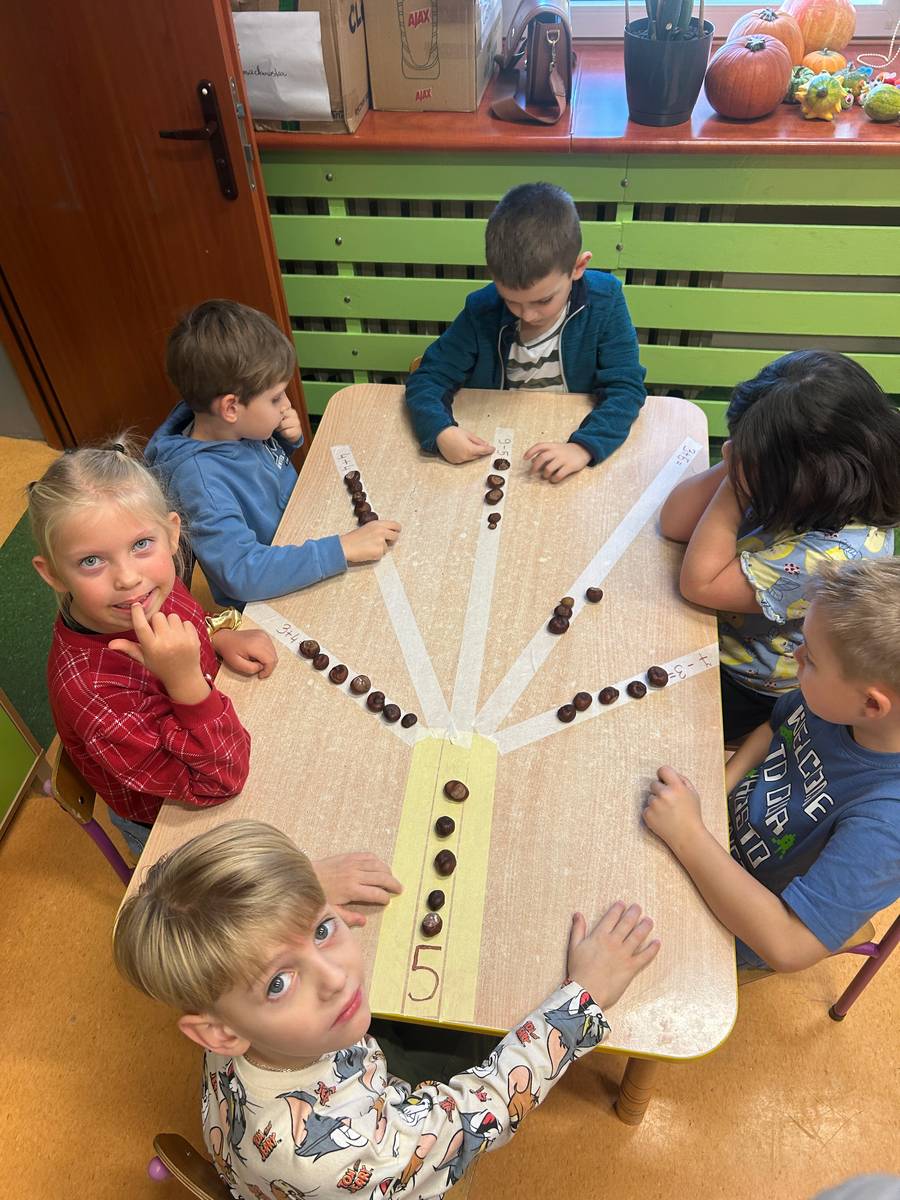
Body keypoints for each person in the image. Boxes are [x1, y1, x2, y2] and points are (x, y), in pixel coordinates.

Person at [114, 820, 659, 1200]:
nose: (336, 978)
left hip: (292, 1129)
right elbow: (474, 1120)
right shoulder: (351, 1155)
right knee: (485, 1032)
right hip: (360, 1157)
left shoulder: (237, 1018)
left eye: (322, 929)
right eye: (279, 982)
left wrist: (294, 903)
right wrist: (580, 999)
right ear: (218, 1033)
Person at [643, 559, 900, 973]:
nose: (795, 656)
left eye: (811, 658)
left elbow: (790, 945)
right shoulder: (832, 704)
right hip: (708, 837)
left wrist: (689, 835)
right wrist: (717, 792)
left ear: (872, 703)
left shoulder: (886, 826)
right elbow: (774, 727)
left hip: (739, 921)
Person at [28, 440, 273, 856]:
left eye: (141, 544)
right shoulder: (92, 694)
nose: (128, 578)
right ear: (53, 574)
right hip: (171, 819)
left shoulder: (149, 592)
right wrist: (186, 680)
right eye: (91, 561)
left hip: (209, 733)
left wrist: (214, 636)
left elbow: (186, 617)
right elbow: (220, 780)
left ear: (172, 534)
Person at [659, 351, 900, 742]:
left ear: (810, 479)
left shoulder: (835, 555)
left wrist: (736, 484)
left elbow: (699, 585)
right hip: (702, 631)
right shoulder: (798, 480)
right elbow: (673, 522)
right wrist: (738, 465)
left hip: (744, 681)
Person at [146, 300, 401, 610]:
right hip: (274, 595)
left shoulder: (236, 427)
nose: (286, 405)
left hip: (303, 543)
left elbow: (262, 474)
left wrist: (284, 440)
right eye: (276, 397)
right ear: (230, 407)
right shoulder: (201, 484)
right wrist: (341, 549)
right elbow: (242, 573)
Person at [405, 182, 647, 483]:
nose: (527, 315)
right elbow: (428, 378)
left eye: (543, 300)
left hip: (576, 438)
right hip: (498, 437)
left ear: (578, 267)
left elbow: (626, 388)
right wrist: (441, 431)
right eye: (510, 300)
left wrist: (584, 447)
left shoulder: (606, 300)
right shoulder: (482, 309)